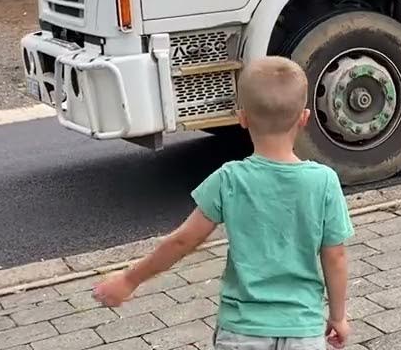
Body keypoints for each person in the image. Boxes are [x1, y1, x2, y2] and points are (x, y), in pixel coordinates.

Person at [93, 56, 353, 350]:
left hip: (242, 329)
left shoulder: (229, 179)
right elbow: (335, 256)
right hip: (303, 330)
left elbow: (182, 241)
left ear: (242, 118)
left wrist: (130, 280)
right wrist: (338, 316)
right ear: (304, 119)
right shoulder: (323, 181)